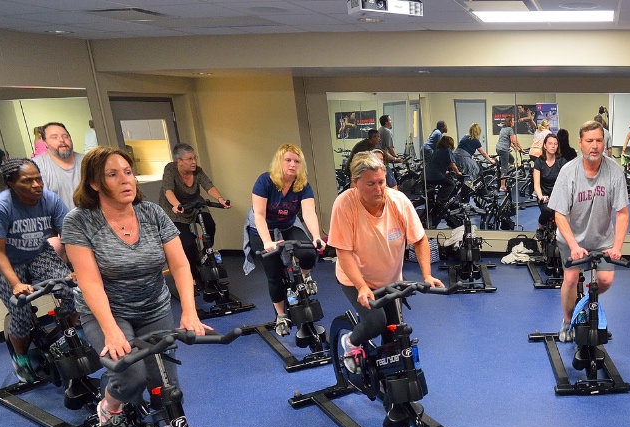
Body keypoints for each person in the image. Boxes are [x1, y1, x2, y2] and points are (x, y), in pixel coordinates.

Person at [61, 147, 209, 427]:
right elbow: (89, 282)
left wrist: (190, 312)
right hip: (107, 311)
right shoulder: (80, 221)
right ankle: (110, 407)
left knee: (165, 383)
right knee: (131, 377)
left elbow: (180, 265)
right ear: (95, 183)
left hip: (153, 306)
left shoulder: (152, 213)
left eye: (128, 172)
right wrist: (111, 331)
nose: (125, 180)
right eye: (112, 175)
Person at [328, 151, 443, 373]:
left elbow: (419, 240)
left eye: (381, 182)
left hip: (389, 279)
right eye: (370, 184)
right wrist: (361, 286)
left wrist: (427, 275)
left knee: (393, 333)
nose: (379, 189)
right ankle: (351, 342)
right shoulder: (344, 205)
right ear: (355, 183)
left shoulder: (398, 201)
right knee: (375, 323)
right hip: (355, 279)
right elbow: (343, 252)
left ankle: (387, 378)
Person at [0, 158, 73, 382]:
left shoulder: (50, 199)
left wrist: (76, 269)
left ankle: (64, 338)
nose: (36, 185)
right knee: (20, 312)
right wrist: (16, 284)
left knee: (74, 292)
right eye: (27, 181)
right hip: (4, 261)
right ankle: (20, 358)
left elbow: (69, 238)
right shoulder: (0, 207)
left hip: (37, 252)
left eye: (38, 178)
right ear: (11, 183)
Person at [547, 120, 629, 342]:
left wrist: (617, 247)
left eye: (599, 141)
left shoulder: (614, 171)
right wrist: (574, 246)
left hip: (602, 239)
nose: (594, 146)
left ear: (604, 143)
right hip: (571, 239)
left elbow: (622, 213)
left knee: (606, 281)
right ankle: (566, 321)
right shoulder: (568, 172)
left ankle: (583, 304)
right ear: (580, 143)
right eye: (589, 141)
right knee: (571, 279)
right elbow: (559, 215)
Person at [247, 143, 326, 336]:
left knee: (308, 252)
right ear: (279, 162)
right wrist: (267, 242)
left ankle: (306, 277)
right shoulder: (265, 181)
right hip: (262, 229)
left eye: (296, 161)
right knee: (274, 274)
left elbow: (308, 213)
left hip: (288, 225)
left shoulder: (302, 185)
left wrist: (316, 237)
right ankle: (282, 315)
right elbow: (259, 215)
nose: (292, 164)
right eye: (288, 160)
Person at [160, 143, 231, 281]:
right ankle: (192, 276)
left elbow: (208, 186)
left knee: (210, 224)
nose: (194, 162)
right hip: (174, 208)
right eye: (189, 159)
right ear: (179, 161)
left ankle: (205, 253)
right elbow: (168, 190)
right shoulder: (170, 169)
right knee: (188, 243)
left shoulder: (197, 171)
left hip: (194, 203)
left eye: (194, 158)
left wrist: (220, 199)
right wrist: (177, 205)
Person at [31, 122, 85, 210]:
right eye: (54, 137)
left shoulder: (88, 162)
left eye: (65, 136)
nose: (62, 140)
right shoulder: (36, 167)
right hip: (58, 222)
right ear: (45, 143)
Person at [532, 133, 565, 228]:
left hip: (558, 196)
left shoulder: (561, 162)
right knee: (547, 211)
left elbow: (566, 182)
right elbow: (537, 185)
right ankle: (540, 227)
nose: (553, 146)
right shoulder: (539, 162)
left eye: (555, 143)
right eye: (550, 143)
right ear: (545, 145)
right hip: (544, 195)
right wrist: (541, 196)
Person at [495, 114, 523, 186]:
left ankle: (504, 174)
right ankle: (502, 186)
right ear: (510, 122)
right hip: (504, 150)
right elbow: (514, 141)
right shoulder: (510, 129)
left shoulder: (503, 129)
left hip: (498, 148)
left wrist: (515, 148)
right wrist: (521, 148)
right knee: (504, 168)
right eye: (513, 121)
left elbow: (508, 141)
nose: (514, 122)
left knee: (512, 159)